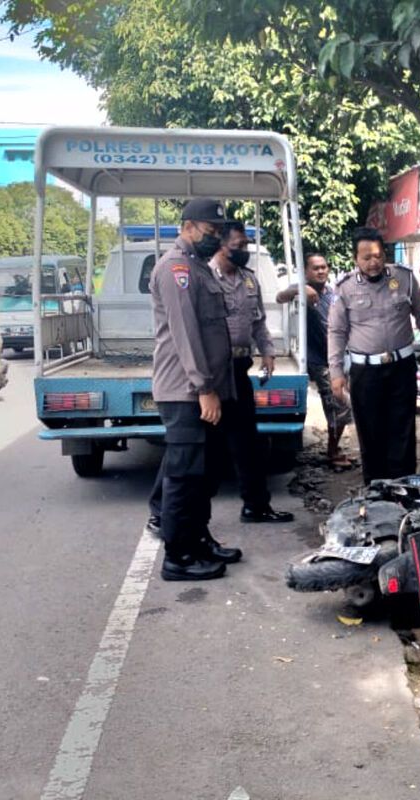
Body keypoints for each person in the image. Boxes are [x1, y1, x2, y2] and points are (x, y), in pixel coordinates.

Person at [147, 198, 241, 582]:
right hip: (186, 392)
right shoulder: (177, 269)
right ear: (188, 226)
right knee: (185, 477)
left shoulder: (199, 267)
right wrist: (204, 388)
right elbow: (186, 332)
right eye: (209, 230)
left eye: (218, 232)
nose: (215, 237)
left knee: (205, 473)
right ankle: (179, 556)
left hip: (206, 390)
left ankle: (198, 539)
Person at [329, 227, 420, 483]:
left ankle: (403, 492)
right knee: (370, 435)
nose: (373, 263)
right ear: (355, 259)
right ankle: (375, 493)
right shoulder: (345, 288)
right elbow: (337, 331)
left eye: (378, 256)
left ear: (384, 254)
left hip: (401, 368)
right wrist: (336, 373)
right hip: (365, 373)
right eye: (366, 258)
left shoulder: (403, 278)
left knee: (402, 432)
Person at [208, 221, 294, 523]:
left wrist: (267, 351)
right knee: (200, 446)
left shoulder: (248, 280)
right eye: (239, 245)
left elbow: (258, 321)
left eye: (246, 244)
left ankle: (256, 505)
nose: (245, 250)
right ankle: (164, 512)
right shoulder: (205, 277)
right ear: (221, 245)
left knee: (247, 442)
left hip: (239, 369)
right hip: (212, 372)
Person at [277, 253, 354, 468]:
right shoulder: (301, 291)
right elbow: (280, 297)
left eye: (324, 267)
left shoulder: (334, 293)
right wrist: (300, 290)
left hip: (338, 357)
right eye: (315, 268)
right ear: (306, 272)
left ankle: (334, 448)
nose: (321, 271)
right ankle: (332, 452)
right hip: (319, 359)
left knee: (341, 406)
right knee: (338, 404)